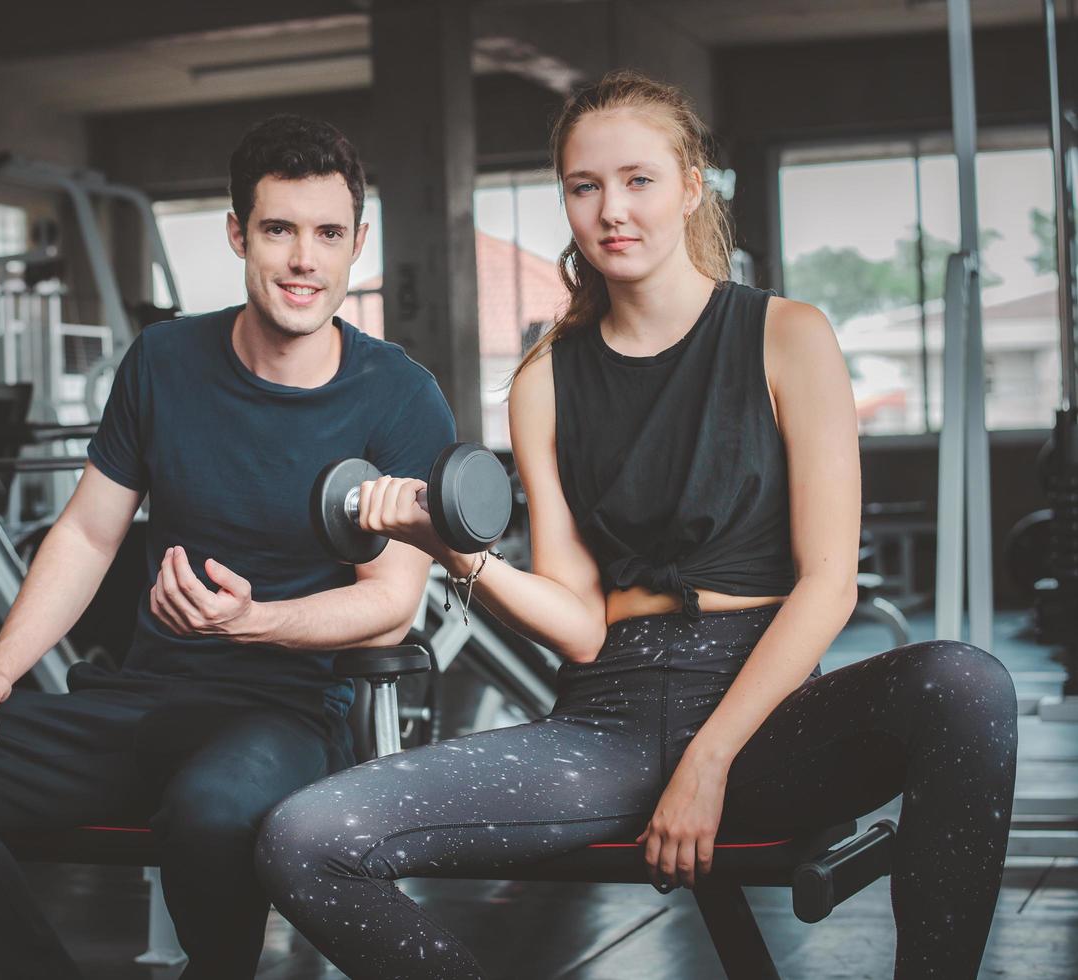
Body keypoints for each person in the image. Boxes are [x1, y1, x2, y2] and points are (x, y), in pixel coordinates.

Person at [255, 70, 1018, 980]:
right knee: (304, 836)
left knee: (965, 684)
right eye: (585, 186)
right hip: (607, 723)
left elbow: (828, 585)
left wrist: (710, 760)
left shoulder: (788, 335)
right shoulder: (544, 380)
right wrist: (451, 551)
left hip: (767, 718)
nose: (611, 208)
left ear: (692, 186)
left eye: (638, 180)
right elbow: (579, 622)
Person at [0, 114, 455, 980]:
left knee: (210, 810)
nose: (303, 261)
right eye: (278, 230)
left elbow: (391, 605)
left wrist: (254, 622)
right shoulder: (164, 360)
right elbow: (89, 533)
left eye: (327, 235)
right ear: (239, 233)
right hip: (142, 698)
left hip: (282, 717)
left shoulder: (400, 395)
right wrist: (2, 668)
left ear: (358, 243)